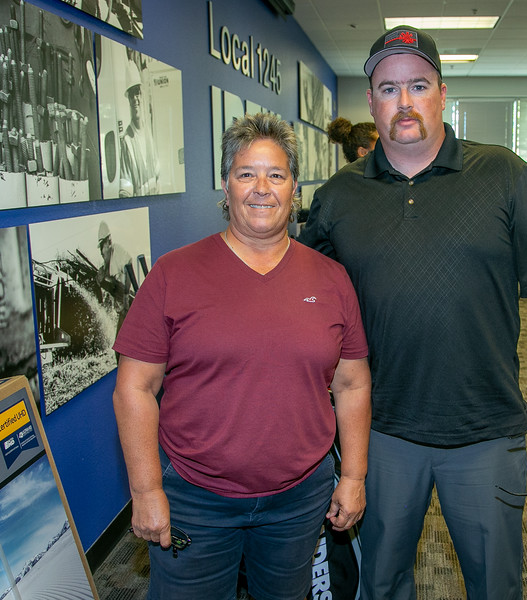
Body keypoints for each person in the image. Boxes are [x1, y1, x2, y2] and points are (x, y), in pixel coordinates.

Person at [299, 25, 527, 600]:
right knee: (381, 580)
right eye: (388, 89)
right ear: (372, 102)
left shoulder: (504, 174)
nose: (404, 103)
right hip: (379, 431)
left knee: (493, 583)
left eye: (418, 85)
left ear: (441, 93)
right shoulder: (339, 195)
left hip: (485, 429)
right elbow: (301, 293)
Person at [112, 113, 372, 600]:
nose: (261, 188)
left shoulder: (331, 279)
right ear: (226, 186)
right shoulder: (174, 274)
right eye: (246, 174)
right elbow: (134, 387)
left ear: (294, 188)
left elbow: (352, 384)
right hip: (195, 497)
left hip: (298, 499)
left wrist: (354, 475)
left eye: (276, 175)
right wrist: (146, 491)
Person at [119, 59, 161, 197]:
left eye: (137, 93)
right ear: (129, 99)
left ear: (141, 96)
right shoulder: (126, 140)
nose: (135, 99)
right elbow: (126, 188)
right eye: (132, 94)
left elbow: (157, 174)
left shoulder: (149, 133)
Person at [96, 221, 133, 334]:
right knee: (119, 347)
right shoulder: (105, 266)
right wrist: (100, 281)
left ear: (109, 242)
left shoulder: (117, 251)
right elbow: (110, 288)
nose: (101, 252)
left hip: (131, 302)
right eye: (100, 248)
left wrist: (126, 296)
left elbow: (129, 266)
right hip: (122, 309)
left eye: (103, 246)